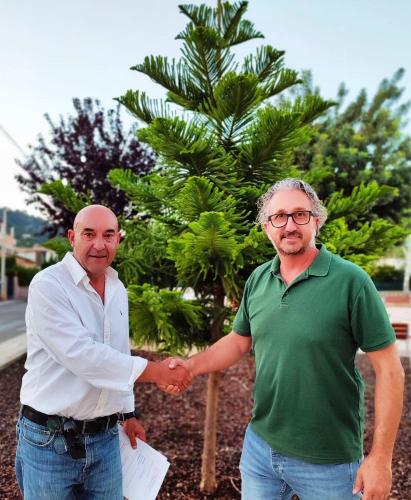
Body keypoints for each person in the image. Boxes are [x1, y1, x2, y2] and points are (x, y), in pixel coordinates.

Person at [163, 179, 405, 500]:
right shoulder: (258, 279)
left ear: (316, 222)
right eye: (279, 216)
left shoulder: (352, 282)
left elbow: (390, 370)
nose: (289, 225)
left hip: (329, 460)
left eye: (300, 215)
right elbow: (238, 340)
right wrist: (190, 367)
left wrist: (381, 459)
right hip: (261, 449)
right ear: (267, 228)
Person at [15, 205, 191, 500]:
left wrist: (129, 413)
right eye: (89, 234)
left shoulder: (117, 288)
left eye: (108, 235)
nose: (99, 244)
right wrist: (156, 371)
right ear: (72, 237)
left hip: (106, 441)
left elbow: (118, 350)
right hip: (49, 443)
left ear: (118, 240)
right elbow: (83, 355)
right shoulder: (48, 285)